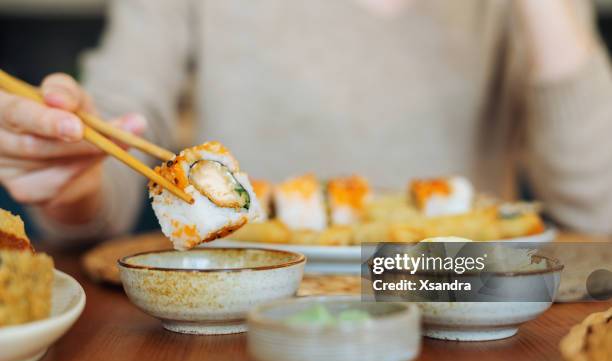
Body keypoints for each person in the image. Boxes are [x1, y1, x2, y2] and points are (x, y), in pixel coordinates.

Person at [1, 0, 611, 242]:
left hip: (466, 310)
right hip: (237, 322)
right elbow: (118, 126)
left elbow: (602, 216)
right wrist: (73, 184)